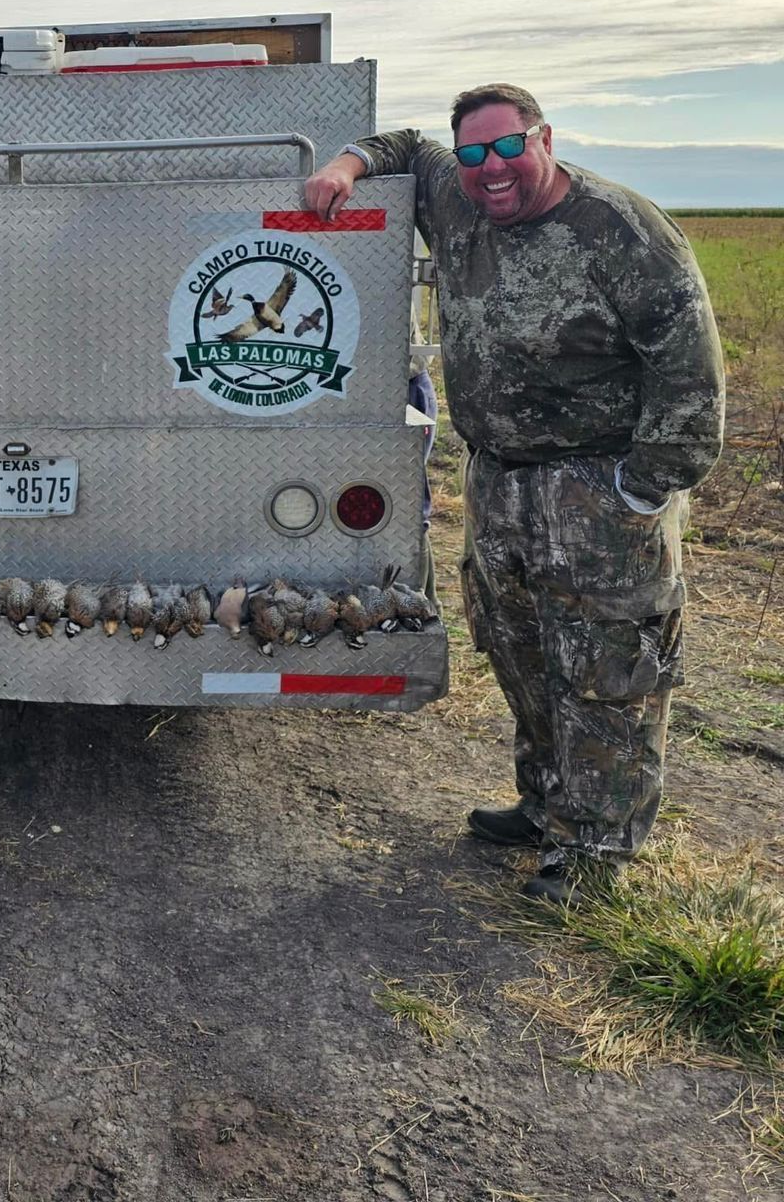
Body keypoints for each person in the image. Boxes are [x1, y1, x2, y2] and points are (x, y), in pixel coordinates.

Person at [304, 84, 724, 905]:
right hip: (499, 478)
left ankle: (597, 849)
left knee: (606, 670)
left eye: (506, 148)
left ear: (544, 139)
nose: (489, 169)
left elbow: (691, 378)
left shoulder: (622, 231)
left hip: (597, 488)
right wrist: (350, 163)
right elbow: (402, 143)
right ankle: (545, 806)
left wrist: (638, 495)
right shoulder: (462, 204)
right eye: (473, 154)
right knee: (521, 650)